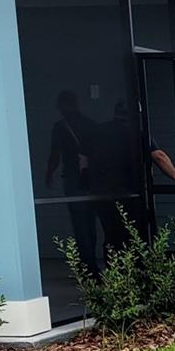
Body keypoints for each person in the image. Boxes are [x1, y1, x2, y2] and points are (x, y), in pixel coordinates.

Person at [44, 90, 100, 267]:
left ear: (61, 105)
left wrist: (49, 173)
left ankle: (87, 263)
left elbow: (56, 153)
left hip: (74, 177)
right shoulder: (91, 125)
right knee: (91, 220)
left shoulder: (61, 127)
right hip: (93, 177)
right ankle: (91, 260)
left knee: (80, 221)